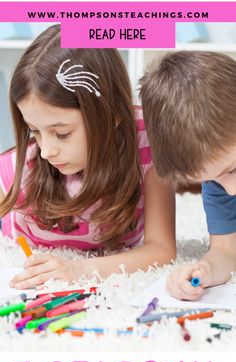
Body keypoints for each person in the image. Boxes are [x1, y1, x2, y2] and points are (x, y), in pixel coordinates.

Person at [0, 25, 175, 289]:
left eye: (62, 133)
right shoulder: (20, 168)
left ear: (112, 115)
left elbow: (161, 250)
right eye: (35, 131)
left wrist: (78, 270)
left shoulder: (148, 142)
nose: (46, 151)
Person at [140, 50, 236, 300]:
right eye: (213, 179)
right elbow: (228, 250)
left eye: (233, 169)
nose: (230, 189)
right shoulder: (221, 183)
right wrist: (206, 269)